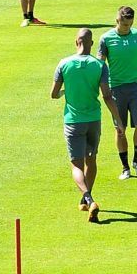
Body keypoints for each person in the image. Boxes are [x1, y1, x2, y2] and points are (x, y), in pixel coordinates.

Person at [52, 27, 115, 221]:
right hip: (93, 120)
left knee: (76, 165)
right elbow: (106, 95)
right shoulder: (99, 65)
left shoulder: (64, 63)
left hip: (73, 120)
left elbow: (54, 93)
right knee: (92, 159)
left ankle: (88, 198)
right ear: (91, 43)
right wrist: (118, 121)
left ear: (76, 41)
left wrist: (65, 93)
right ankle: (86, 201)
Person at [99, 6, 137, 180]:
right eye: (125, 24)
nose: (127, 28)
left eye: (130, 24)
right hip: (116, 89)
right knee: (120, 129)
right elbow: (100, 65)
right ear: (117, 20)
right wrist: (100, 87)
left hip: (136, 87)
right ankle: (125, 167)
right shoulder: (106, 39)